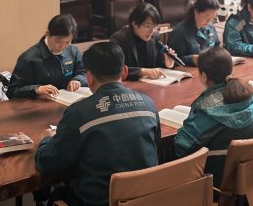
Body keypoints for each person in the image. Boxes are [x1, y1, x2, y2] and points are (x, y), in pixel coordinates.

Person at [36, 41, 160, 206]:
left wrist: (46, 139)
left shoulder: (79, 112)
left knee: (57, 194)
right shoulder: (149, 104)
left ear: (89, 78)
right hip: (146, 199)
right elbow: (156, 144)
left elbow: (48, 163)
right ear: (124, 72)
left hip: (101, 202)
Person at [174, 47, 253, 188]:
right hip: (252, 177)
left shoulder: (205, 108)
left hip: (215, 182)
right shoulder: (249, 96)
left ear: (203, 76)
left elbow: (181, 148)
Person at [8, 14, 88, 99]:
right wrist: (36, 89)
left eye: (67, 42)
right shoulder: (28, 58)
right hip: (41, 105)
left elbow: (85, 73)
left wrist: (78, 80)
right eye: (58, 42)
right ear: (47, 33)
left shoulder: (73, 51)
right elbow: (12, 91)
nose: (63, 46)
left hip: (69, 101)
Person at [109, 2, 175, 80]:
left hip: (151, 84)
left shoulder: (155, 36)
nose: (151, 31)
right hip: (129, 85)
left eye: (154, 26)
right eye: (148, 26)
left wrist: (167, 64)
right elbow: (115, 70)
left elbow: (157, 64)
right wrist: (141, 71)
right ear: (134, 23)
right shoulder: (119, 39)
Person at [169, 0, 221, 66]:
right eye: (206, 16)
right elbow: (171, 60)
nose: (209, 21)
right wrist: (192, 59)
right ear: (196, 11)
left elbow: (216, 46)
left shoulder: (210, 27)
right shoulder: (180, 33)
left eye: (213, 18)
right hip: (189, 70)